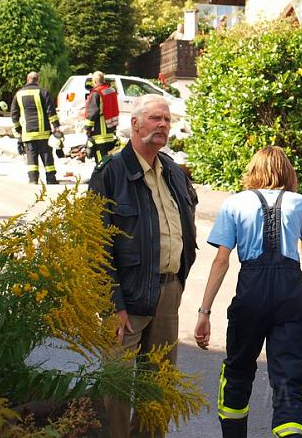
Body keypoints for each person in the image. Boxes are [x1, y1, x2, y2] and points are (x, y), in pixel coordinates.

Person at [88, 94, 198, 438]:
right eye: (155, 119)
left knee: (159, 385)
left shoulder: (175, 173)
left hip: (168, 291)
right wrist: (113, 302)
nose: (163, 125)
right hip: (128, 298)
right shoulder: (110, 173)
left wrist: (179, 282)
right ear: (134, 124)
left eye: (166, 119)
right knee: (116, 388)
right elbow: (95, 246)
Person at [194, 145, 302, 438]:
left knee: (237, 370)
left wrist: (204, 311)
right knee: (289, 378)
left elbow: (221, 260)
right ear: (287, 171)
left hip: (250, 293)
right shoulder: (300, 203)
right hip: (290, 295)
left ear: (253, 170)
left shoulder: (235, 204)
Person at [10, 71, 60, 184]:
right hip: (43, 132)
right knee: (47, 156)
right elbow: (51, 112)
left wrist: (19, 130)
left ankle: (33, 179)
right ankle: (51, 179)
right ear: (37, 80)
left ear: (27, 79)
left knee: (31, 157)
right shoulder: (43, 92)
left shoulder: (19, 94)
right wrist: (56, 127)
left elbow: (14, 114)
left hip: (28, 133)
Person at [85, 71, 119, 163]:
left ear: (95, 81)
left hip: (100, 134)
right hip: (111, 133)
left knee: (102, 163)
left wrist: (87, 128)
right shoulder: (111, 90)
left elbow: (92, 113)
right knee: (110, 162)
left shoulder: (96, 93)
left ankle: (103, 177)